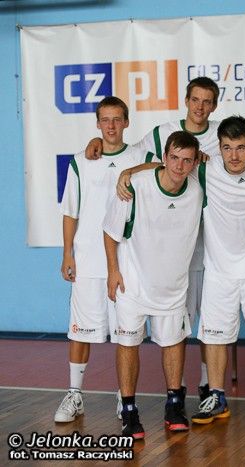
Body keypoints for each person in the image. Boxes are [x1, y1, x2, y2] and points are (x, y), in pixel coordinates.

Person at [90, 77, 221, 402]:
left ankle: (207, 385)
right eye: (195, 100)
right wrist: (123, 167)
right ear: (186, 101)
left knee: (201, 326)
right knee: (171, 333)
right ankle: (152, 396)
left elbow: (243, 155)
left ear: (214, 105)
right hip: (159, 262)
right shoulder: (163, 132)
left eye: (207, 101)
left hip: (203, 254)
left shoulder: (222, 135)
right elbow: (136, 155)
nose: (200, 107)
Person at [103, 131, 203, 439]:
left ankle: (174, 406)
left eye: (187, 160)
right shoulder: (135, 185)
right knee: (128, 344)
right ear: (164, 158)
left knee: (174, 343)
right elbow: (110, 231)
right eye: (174, 158)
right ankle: (129, 410)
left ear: (195, 163)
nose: (179, 166)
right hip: (132, 283)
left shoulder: (197, 189)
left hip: (173, 287)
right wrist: (113, 271)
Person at [54, 97, 147, 423]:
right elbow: (71, 211)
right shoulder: (81, 161)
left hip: (127, 263)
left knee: (127, 335)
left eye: (117, 119)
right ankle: (74, 394)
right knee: (80, 331)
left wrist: (132, 170)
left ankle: (125, 397)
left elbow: (162, 167)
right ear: (97, 123)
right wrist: (67, 252)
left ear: (126, 122)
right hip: (89, 261)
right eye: (105, 120)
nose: (111, 126)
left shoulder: (139, 156)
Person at [189, 116, 245, 426]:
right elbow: (165, 167)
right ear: (219, 147)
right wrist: (127, 173)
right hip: (218, 270)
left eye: (240, 147)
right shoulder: (205, 168)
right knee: (215, 337)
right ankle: (216, 396)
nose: (234, 156)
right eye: (227, 148)